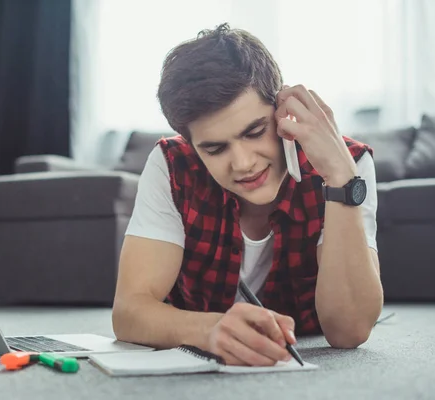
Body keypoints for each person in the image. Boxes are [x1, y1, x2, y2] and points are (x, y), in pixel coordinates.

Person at [111, 23, 383, 366]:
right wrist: (208, 329)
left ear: (283, 110)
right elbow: (129, 312)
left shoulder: (349, 164)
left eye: (255, 132)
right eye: (214, 149)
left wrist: (341, 178)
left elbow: (350, 331)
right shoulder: (172, 165)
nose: (243, 163)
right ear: (192, 146)